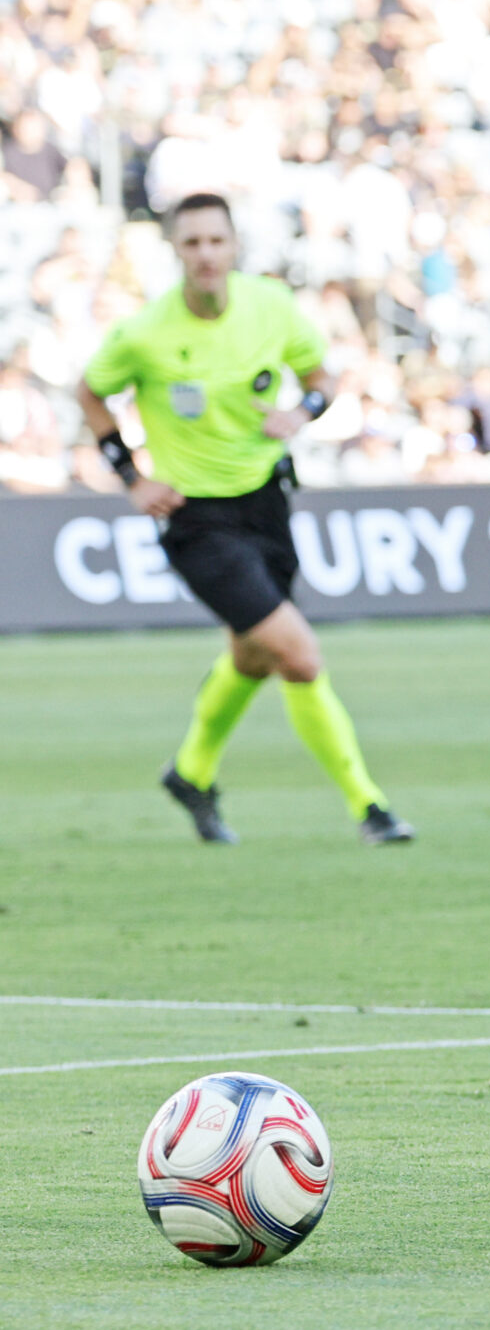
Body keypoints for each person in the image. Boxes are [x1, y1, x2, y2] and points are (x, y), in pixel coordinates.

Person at [76, 193, 416, 849]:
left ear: (234, 246)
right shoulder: (145, 333)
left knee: (253, 657)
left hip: (265, 503)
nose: (205, 254)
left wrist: (301, 412)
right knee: (299, 655)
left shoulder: (271, 307)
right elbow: (90, 392)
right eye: (192, 243)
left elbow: (321, 378)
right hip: (196, 519)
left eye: (216, 241)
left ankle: (190, 773)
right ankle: (369, 807)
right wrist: (132, 476)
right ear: (175, 250)